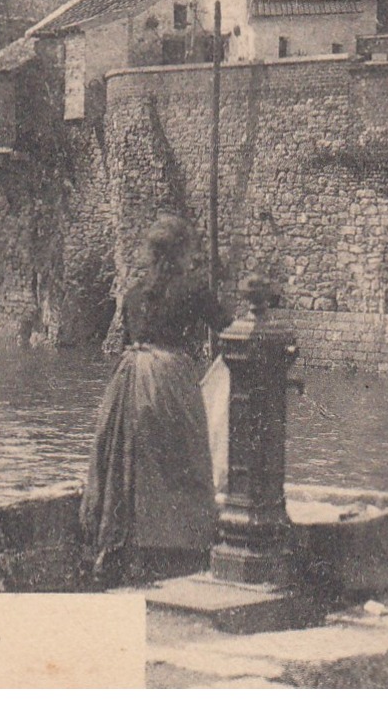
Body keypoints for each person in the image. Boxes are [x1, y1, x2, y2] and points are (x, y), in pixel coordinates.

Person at [81, 214, 233, 586]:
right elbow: (232, 328)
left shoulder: (133, 292)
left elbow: (128, 335)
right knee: (182, 460)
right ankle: (179, 545)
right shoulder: (194, 290)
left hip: (129, 377)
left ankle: (127, 542)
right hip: (168, 380)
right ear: (182, 252)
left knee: (129, 459)